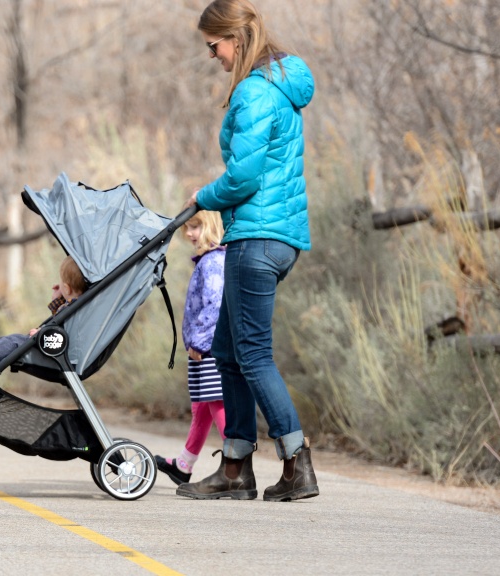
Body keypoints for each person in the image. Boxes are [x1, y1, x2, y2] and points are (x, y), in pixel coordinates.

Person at [176, 0, 319, 502]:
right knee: (226, 351)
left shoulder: (256, 92)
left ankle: (297, 464)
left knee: (251, 354)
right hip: (276, 237)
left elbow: (244, 177)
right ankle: (235, 468)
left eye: (213, 46)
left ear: (234, 39)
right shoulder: (278, 87)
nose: (213, 55)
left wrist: (204, 198)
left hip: (256, 238)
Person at [155, 206, 227, 486]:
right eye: (187, 227)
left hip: (208, 348)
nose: (188, 233)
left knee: (218, 405)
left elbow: (216, 305)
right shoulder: (207, 261)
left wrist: (199, 341)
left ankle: (235, 466)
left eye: (195, 227)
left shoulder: (213, 262)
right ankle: (184, 465)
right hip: (202, 348)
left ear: (210, 226)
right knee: (201, 407)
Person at [0, 256, 86, 378]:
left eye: (61, 282)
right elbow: (61, 323)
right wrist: (58, 298)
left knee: (11, 342)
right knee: (7, 341)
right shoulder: (78, 306)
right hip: (57, 351)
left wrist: (41, 335)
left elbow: (59, 331)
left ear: (67, 289)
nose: (58, 285)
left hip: (52, 353)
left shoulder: (72, 309)